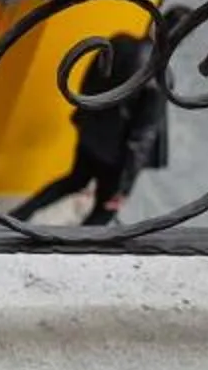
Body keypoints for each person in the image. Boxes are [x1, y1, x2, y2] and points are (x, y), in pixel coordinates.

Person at [11, 28, 166, 228]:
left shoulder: (119, 42)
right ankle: (73, 245)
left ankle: (15, 218)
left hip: (90, 134)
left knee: (73, 181)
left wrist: (85, 120)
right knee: (105, 210)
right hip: (115, 157)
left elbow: (88, 83)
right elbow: (142, 136)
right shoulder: (158, 74)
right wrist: (125, 187)